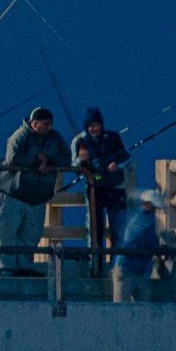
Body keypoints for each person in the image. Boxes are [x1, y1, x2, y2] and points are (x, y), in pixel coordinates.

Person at [0, 107, 70, 277]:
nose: (49, 127)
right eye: (45, 124)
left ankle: (25, 266)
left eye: (50, 124)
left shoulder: (55, 138)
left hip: (37, 194)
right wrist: (35, 162)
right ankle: (8, 268)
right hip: (12, 192)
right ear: (34, 124)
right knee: (7, 231)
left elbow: (66, 158)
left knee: (31, 233)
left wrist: (49, 161)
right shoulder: (20, 135)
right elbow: (12, 159)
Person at [71, 107, 130, 275]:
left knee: (118, 228)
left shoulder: (112, 137)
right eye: (90, 125)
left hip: (116, 189)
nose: (94, 128)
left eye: (96, 124)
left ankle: (117, 267)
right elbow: (74, 168)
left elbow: (126, 157)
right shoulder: (79, 141)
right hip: (94, 190)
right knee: (95, 228)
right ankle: (95, 267)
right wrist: (80, 160)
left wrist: (116, 164)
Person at [112, 189, 170, 303]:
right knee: (142, 308)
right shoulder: (146, 221)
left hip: (129, 267)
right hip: (132, 268)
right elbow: (149, 241)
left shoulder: (136, 218)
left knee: (120, 307)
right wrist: (158, 250)